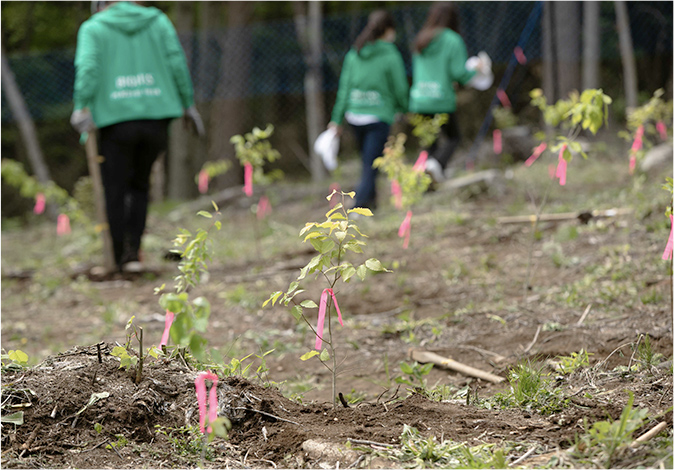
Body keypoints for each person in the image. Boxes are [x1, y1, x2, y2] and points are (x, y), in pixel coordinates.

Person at [70, 1, 204, 273]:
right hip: (156, 116)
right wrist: (187, 103)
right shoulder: (157, 21)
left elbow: (88, 67)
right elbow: (176, 62)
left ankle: (119, 257)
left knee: (115, 188)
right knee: (140, 185)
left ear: (100, 5)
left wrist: (81, 106)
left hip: (113, 120)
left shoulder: (93, 28)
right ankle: (133, 254)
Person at [328, 10, 409, 211]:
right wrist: (403, 108)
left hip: (354, 116)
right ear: (389, 30)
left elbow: (344, 90)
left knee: (368, 160)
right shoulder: (390, 54)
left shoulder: (354, 53)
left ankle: (371, 205)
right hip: (378, 116)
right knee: (371, 165)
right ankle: (360, 206)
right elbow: (399, 87)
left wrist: (336, 119)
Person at [410, 2, 488, 182]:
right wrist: (477, 69)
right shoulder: (452, 40)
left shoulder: (421, 38)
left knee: (430, 143)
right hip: (440, 98)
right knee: (453, 137)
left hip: (419, 98)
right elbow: (459, 74)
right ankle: (434, 167)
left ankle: (430, 179)